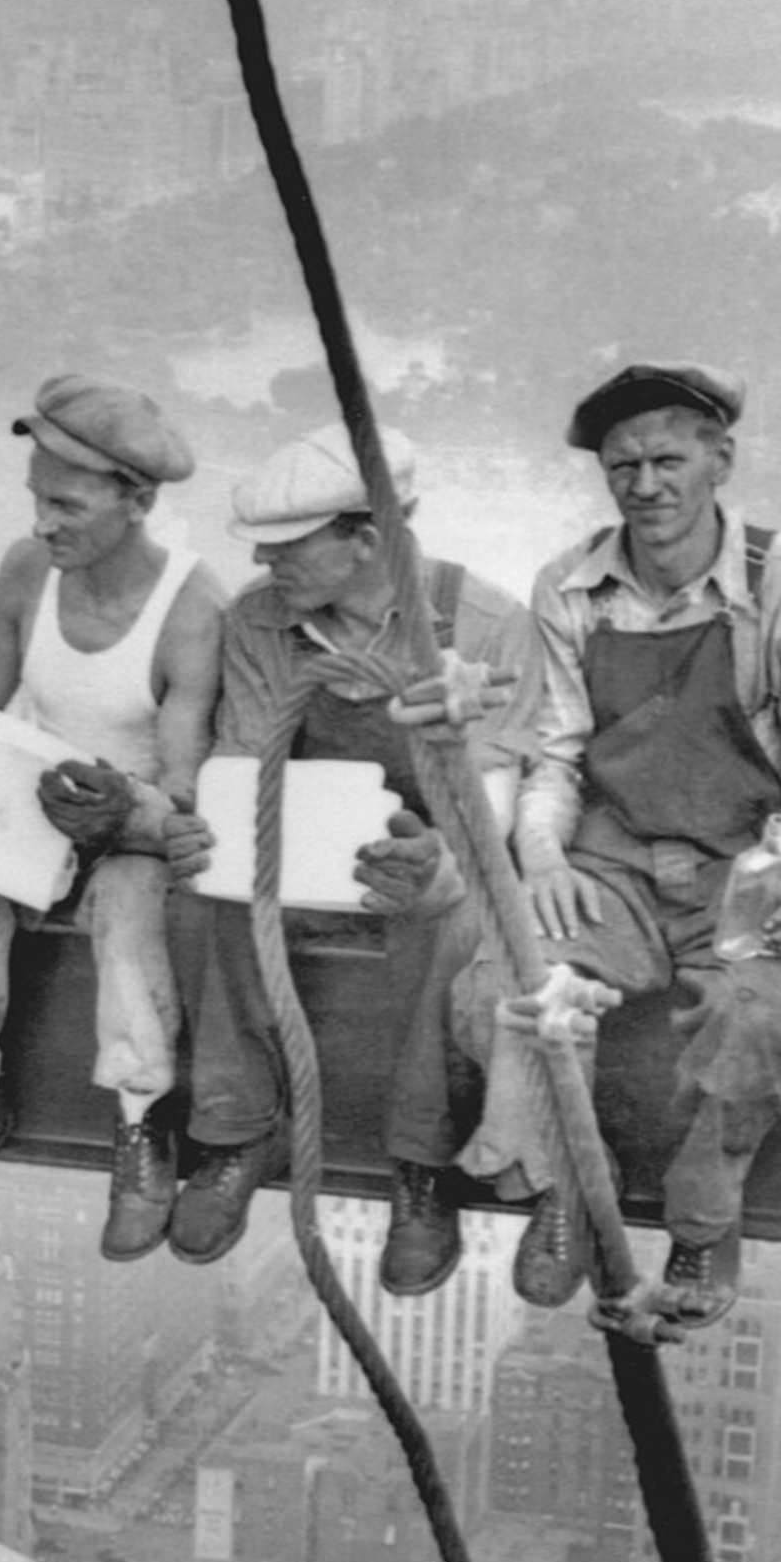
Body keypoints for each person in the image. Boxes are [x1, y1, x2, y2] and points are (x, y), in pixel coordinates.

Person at [453, 362, 781, 1326]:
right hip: (617, 863)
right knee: (506, 988)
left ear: (720, 460)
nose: (646, 486)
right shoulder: (571, 586)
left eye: (669, 459)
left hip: (755, 868)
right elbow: (553, 755)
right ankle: (565, 1187)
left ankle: (701, 1220)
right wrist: (545, 858)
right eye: (622, 466)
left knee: (753, 1023)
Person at [161, 423, 537, 1285]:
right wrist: (208, 827)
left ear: (367, 540)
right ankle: (234, 1128)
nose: (264, 560)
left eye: (289, 546)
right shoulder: (261, 622)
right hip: (300, 839)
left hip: (435, 848)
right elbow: (246, 762)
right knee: (203, 891)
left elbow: (497, 798)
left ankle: (420, 1163)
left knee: (447, 920)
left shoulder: (484, 625)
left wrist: (440, 862)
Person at [0, 375, 220, 1257]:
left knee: (128, 913)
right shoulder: (24, 570)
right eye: (37, 499)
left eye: (67, 505)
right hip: (37, 793)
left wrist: (127, 811)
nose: (43, 523)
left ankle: (142, 1118)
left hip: (132, 819)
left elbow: (187, 785)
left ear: (138, 501)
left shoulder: (190, 609)